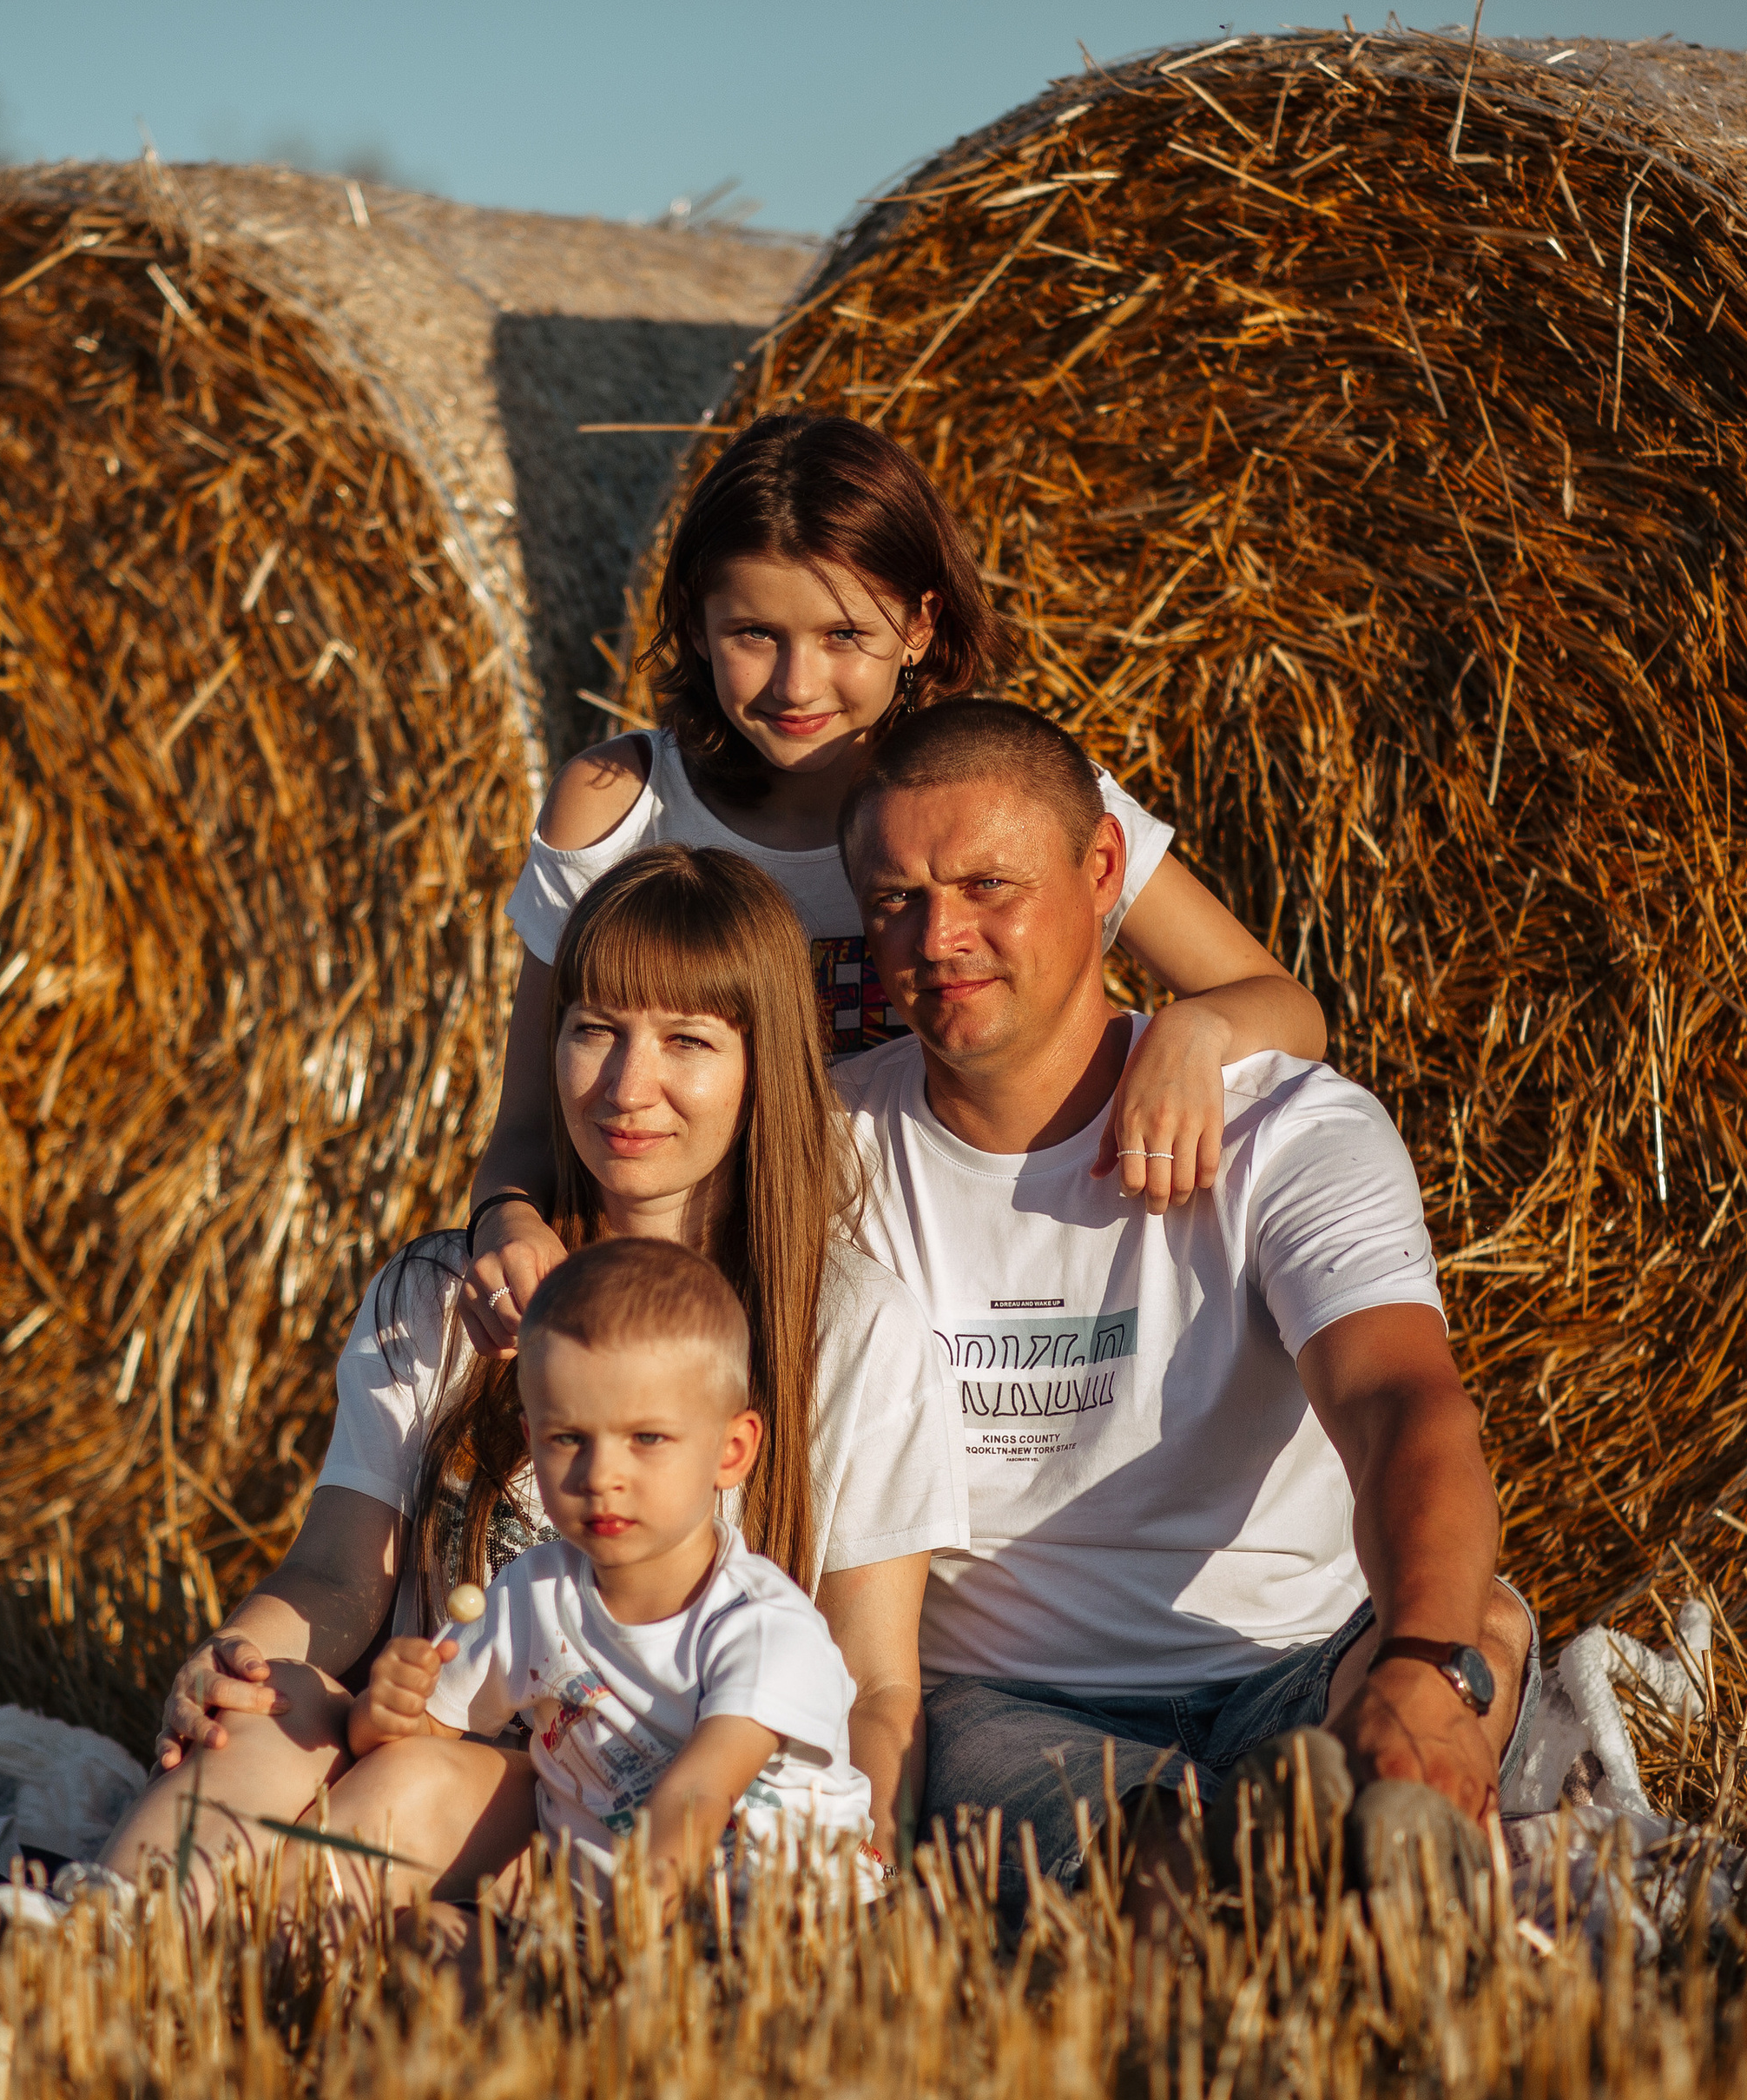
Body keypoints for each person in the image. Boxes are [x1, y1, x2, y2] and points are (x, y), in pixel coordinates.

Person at [96, 845, 961, 1909]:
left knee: (409, 1785)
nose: (626, 1086)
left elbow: (876, 1682)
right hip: (424, 1726)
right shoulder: (438, 1293)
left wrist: (844, 1885)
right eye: (594, 1029)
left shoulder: (849, 1328)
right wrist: (230, 1657)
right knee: (269, 1704)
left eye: (685, 1040)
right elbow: (331, 1579)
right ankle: (87, 1965)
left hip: (646, 1834)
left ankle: (213, 1979)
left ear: (763, 1062)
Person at [828, 697, 1539, 1929]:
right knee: (1156, 1876)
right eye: (895, 898)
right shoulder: (827, 1153)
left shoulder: (1290, 1126)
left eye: (988, 883)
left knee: (1471, 1626)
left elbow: (1398, 1405)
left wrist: (1422, 1674)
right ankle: (1282, 1885)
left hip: (1303, 1658)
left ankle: (1358, 1829)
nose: (938, 936)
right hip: (1008, 1697)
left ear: (1104, 869)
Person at [460, 412, 1327, 1358]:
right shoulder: (620, 809)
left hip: (955, 1289)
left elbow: (1284, 1007)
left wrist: (1191, 1031)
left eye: (844, 634)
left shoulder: (1008, 800)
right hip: (701, 1306)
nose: (798, 682)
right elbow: (527, 1128)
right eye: (754, 631)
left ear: (917, 625)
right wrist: (506, 1222)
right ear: (698, 628)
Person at [339, 1237, 873, 1939]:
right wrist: (388, 1710)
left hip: (790, 1938)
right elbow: (417, 1738)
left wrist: (613, 1973)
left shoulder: (762, 1626)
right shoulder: (532, 1596)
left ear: (731, 1451)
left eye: (647, 1438)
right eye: (568, 1439)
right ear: (531, 1439)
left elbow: (696, 1798)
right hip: (603, 1928)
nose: (600, 1474)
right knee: (426, 1939)